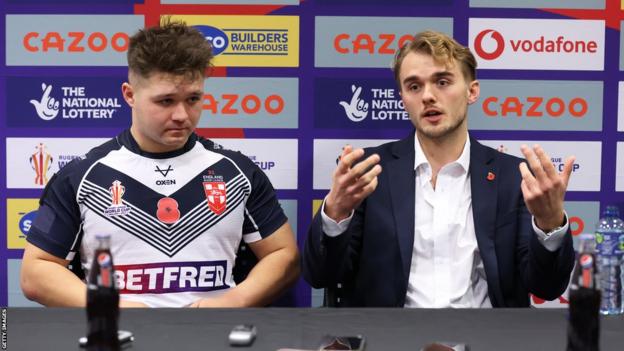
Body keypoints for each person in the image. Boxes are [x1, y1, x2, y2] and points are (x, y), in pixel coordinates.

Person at [20, 19, 300, 308]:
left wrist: (235, 300)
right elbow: (36, 272)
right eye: (166, 101)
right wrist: (115, 306)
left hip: (215, 336)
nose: (182, 115)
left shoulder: (237, 172)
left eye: (193, 99)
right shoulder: (81, 176)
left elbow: (283, 255)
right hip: (117, 336)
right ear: (129, 95)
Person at [303, 31, 575, 307]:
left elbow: (547, 287)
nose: (428, 96)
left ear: (472, 91)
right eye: (414, 87)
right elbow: (320, 275)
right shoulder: (369, 172)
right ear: (402, 99)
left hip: (485, 338)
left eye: (442, 82)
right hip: (390, 338)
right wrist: (335, 214)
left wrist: (549, 223)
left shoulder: (513, 176)